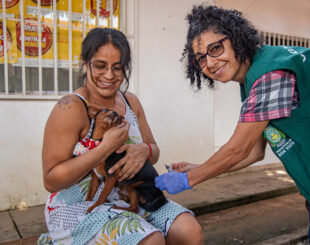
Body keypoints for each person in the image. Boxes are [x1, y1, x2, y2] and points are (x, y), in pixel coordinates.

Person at [155, 5, 310, 245]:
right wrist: (201, 166)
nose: (210, 63)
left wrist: (189, 179)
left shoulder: (270, 74)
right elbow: (254, 152)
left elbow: (238, 148)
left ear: (235, 38)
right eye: (200, 59)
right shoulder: (252, 80)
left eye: (215, 48)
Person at [38, 28, 203, 245]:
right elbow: (51, 180)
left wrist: (145, 150)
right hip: (78, 207)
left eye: (117, 68)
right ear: (85, 62)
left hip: (128, 195)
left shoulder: (130, 102)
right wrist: (105, 148)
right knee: (150, 241)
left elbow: (153, 151)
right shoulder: (70, 108)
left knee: (189, 230)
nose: (109, 75)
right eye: (100, 66)